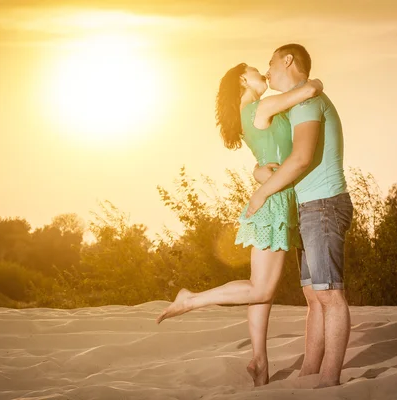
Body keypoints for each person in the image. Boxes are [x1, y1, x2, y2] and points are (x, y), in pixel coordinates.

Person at [156, 62, 323, 386]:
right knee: (260, 289)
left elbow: (265, 159)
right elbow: (310, 89)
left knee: (260, 288)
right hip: (273, 204)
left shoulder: (252, 115)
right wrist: (313, 80)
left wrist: (260, 172)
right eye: (257, 70)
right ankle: (191, 299)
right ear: (243, 79)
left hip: (273, 199)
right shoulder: (260, 107)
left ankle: (259, 362)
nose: (264, 74)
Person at [246, 44, 354, 388]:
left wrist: (261, 193)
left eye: (271, 62)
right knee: (314, 295)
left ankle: (329, 382)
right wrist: (258, 171)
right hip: (310, 207)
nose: (267, 70)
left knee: (330, 295)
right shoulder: (298, 103)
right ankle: (310, 374)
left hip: (323, 205)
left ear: (288, 60)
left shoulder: (306, 102)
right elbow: (284, 158)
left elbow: (302, 158)